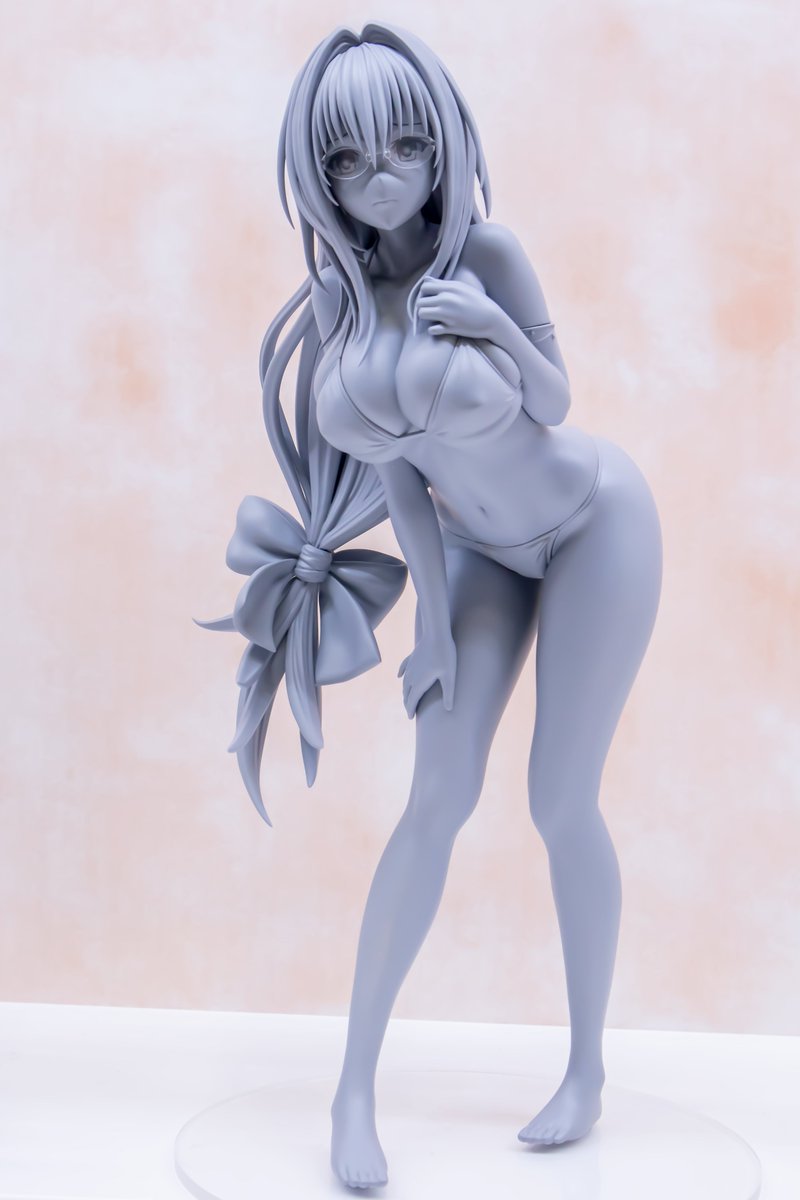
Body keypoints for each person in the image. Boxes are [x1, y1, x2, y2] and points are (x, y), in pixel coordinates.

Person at [212, 22, 662, 1190]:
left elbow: (553, 402)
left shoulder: (488, 255)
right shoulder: (339, 304)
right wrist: (425, 626)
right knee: (434, 800)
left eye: (405, 147)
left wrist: (495, 327)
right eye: (349, 158)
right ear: (318, 172)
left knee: (558, 799)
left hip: (593, 523)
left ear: (441, 146)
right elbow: (403, 477)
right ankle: (351, 1092)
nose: (382, 178)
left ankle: (585, 1069)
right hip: (475, 554)